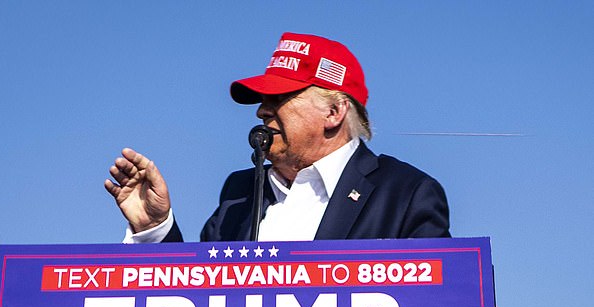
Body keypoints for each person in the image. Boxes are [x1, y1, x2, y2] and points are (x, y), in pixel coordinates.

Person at [105, 32, 450, 243]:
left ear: (334, 113)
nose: (262, 112)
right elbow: (197, 305)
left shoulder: (406, 193)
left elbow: (437, 305)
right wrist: (154, 228)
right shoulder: (238, 194)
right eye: (261, 101)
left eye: (279, 99)